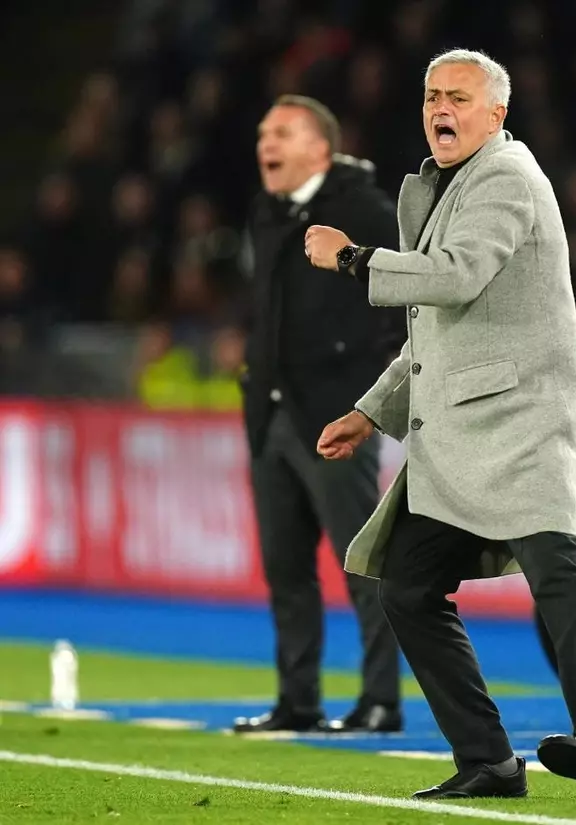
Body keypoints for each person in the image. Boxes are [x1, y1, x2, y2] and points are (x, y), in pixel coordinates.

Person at [304, 49, 576, 801]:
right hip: (458, 433)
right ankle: (488, 758)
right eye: (431, 96)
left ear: (496, 114)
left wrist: (355, 258)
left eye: (458, 96)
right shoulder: (444, 185)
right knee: (408, 587)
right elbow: (435, 331)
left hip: (521, 419)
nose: (440, 108)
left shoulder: (506, 175)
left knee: (557, 565)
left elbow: (455, 275)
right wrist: (370, 411)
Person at [233, 95, 404, 735]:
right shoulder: (267, 211)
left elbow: (401, 302)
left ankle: (381, 700)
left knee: (362, 562)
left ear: (319, 149)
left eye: (281, 133)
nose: (266, 145)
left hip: (335, 415)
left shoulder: (365, 210)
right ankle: (297, 699)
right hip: (271, 412)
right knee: (286, 569)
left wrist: (368, 392)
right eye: (262, 133)